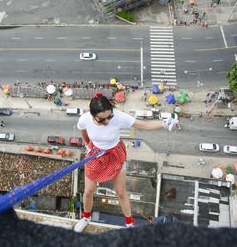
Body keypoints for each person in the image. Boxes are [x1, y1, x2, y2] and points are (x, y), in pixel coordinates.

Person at [73, 94, 178, 232]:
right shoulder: (84, 119)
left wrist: (164, 124)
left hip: (115, 154)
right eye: (101, 120)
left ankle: (130, 224)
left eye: (109, 117)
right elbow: (84, 132)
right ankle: (86, 218)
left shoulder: (118, 116)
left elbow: (144, 125)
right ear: (92, 115)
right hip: (96, 154)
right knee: (88, 191)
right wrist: (88, 146)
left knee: (121, 192)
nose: (107, 122)